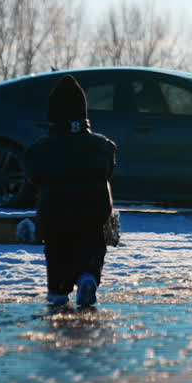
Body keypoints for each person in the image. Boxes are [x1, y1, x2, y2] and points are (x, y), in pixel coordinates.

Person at [23, 74, 117, 307]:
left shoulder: (40, 150)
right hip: (94, 211)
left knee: (57, 248)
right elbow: (108, 172)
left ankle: (59, 289)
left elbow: (34, 178)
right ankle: (88, 277)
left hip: (55, 213)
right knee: (93, 244)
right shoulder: (103, 146)